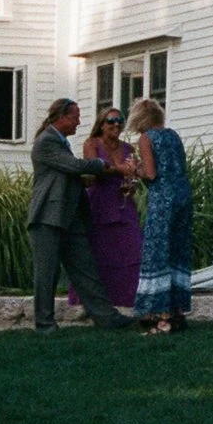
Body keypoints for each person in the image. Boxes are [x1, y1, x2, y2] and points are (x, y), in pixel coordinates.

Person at [29, 98, 137, 332]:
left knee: (86, 269)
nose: (79, 122)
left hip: (70, 216)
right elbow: (75, 166)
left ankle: (107, 318)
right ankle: (44, 324)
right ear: (62, 118)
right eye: (76, 117)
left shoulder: (60, 142)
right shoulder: (46, 141)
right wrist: (104, 165)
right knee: (46, 273)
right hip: (48, 216)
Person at [128, 98, 193, 332]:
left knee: (158, 250)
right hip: (183, 196)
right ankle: (177, 310)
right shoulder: (173, 135)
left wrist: (134, 168)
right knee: (177, 249)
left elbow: (152, 173)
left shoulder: (147, 138)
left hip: (163, 198)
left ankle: (160, 312)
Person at [77, 107, 144, 317]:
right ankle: (91, 303)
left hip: (123, 202)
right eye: (111, 121)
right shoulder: (92, 144)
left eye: (119, 121)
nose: (116, 125)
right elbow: (95, 169)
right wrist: (119, 169)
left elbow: (132, 177)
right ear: (101, 123)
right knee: (98, 251)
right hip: (100, 201)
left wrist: (132, 183)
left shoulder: (129, 148)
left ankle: (129, 300)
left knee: (131, 249)